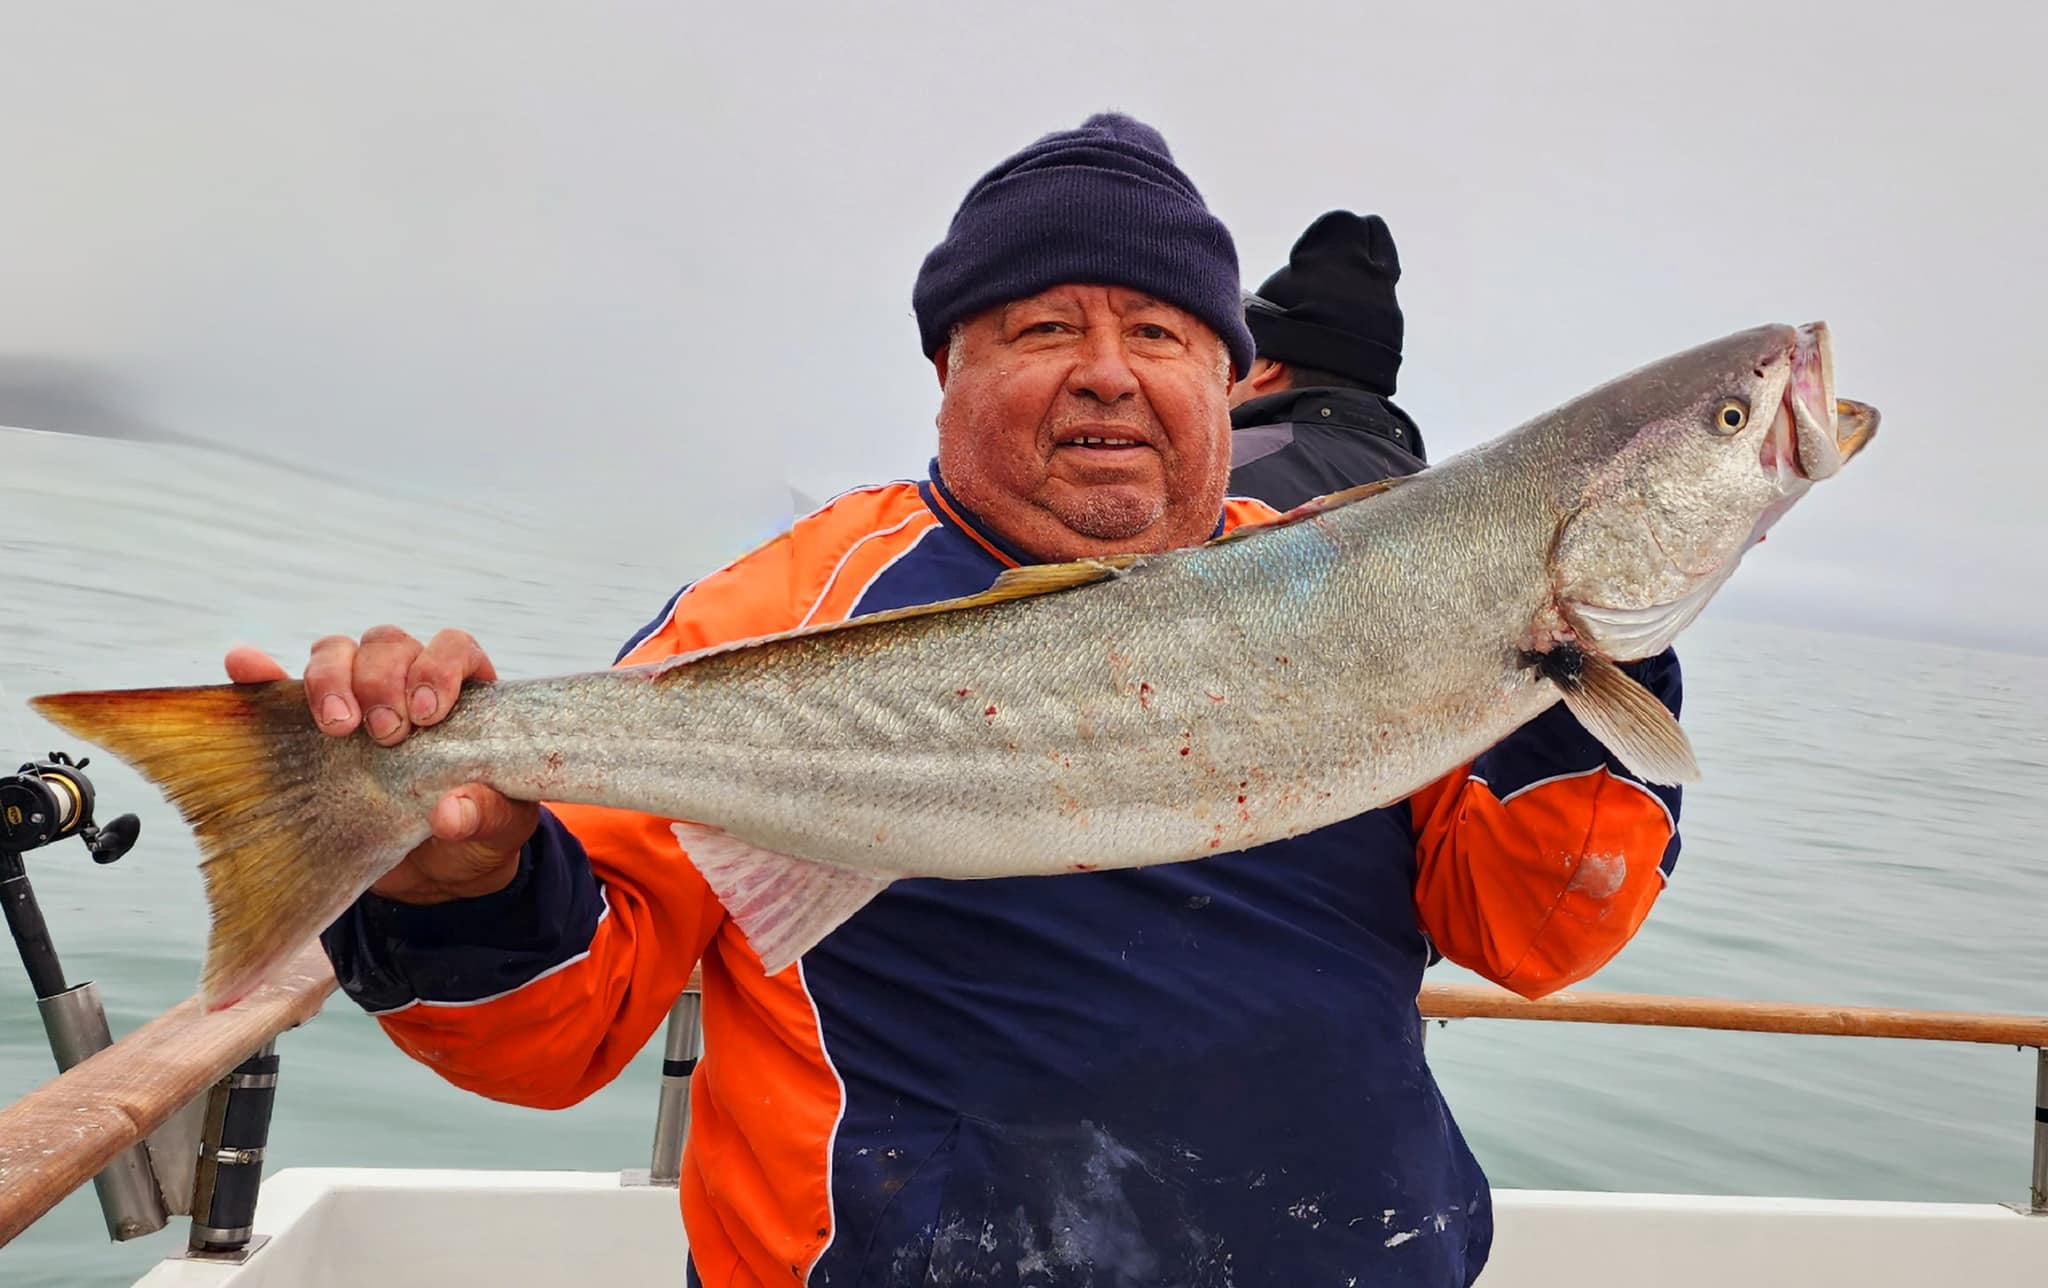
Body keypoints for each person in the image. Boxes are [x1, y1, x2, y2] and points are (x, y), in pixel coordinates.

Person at [227, 113, 1683, 1287]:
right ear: (947, 369)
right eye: (1044, 329)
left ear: (1229, 383)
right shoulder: (775, 612)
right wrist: (461, 881)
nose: (1107, 375)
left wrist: (1580, 641)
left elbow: (1535, 932)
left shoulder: (1365, 598)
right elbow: (565, 1032)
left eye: (1162, 335)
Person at [1227, 209, 1430, 508]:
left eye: (1238, 354)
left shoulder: (1205, 479)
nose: (1224, 374)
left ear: (1269, 367)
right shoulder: (1444, 503)